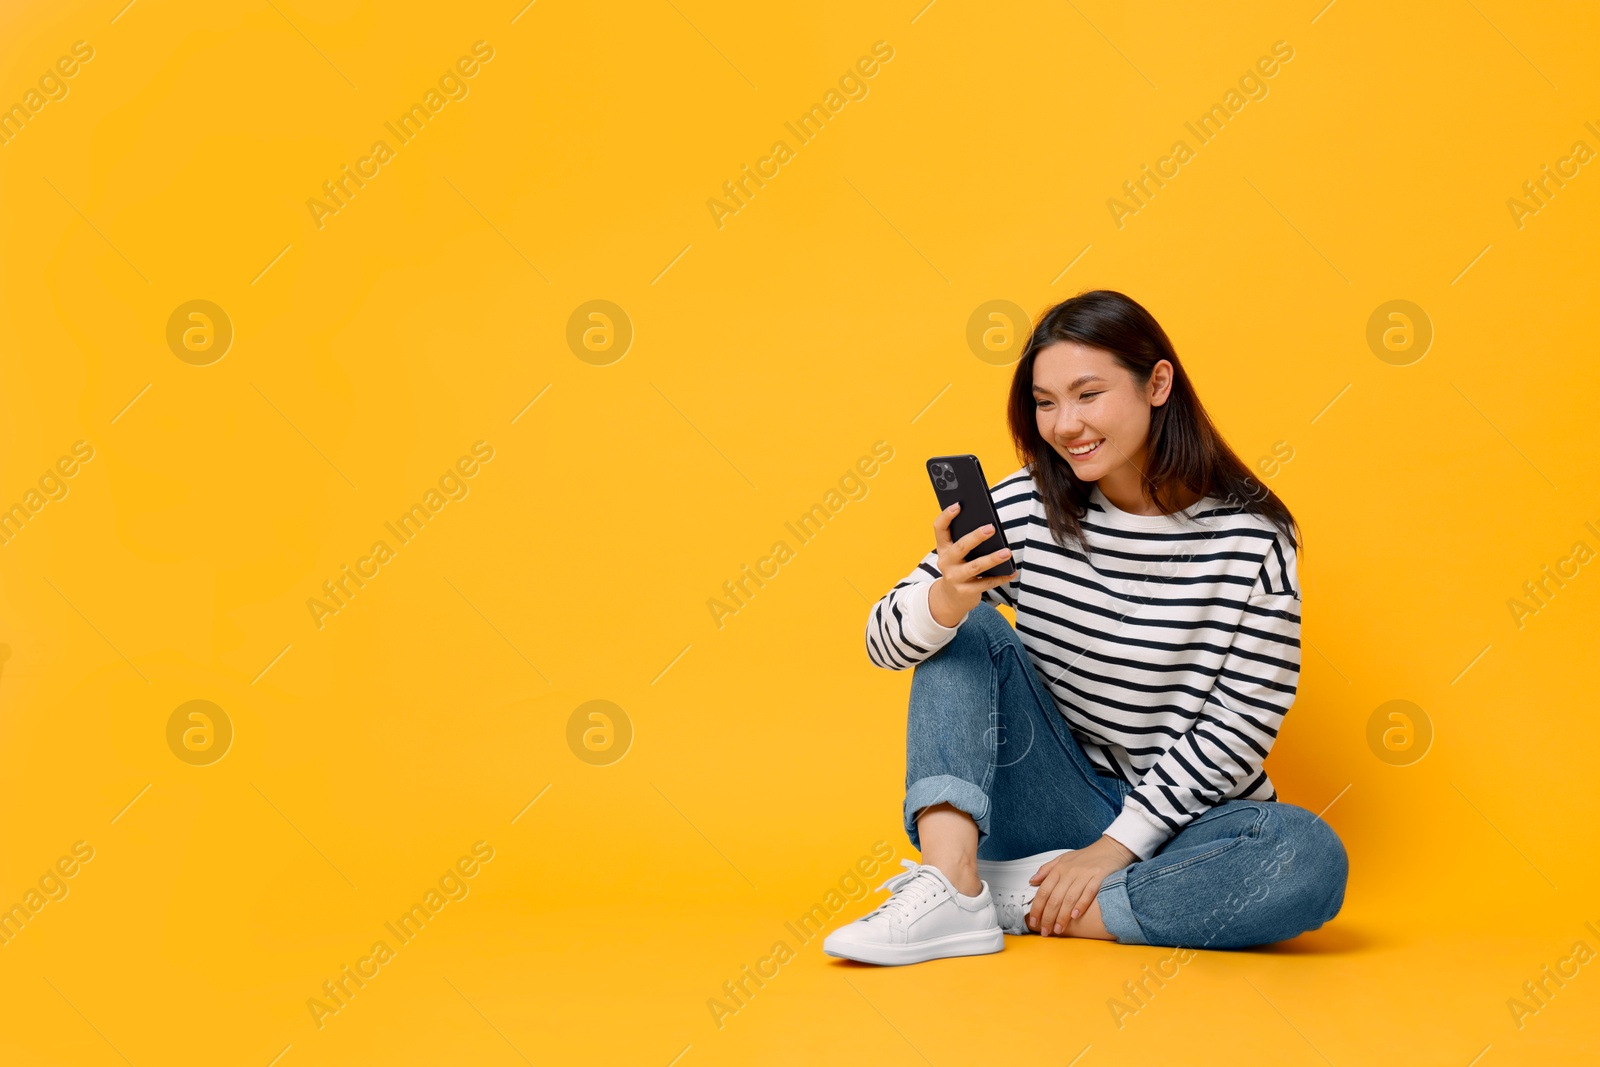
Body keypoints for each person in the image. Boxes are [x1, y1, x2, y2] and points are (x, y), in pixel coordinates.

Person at [825, 290, 1347, 966]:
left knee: (1306, 857)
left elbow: (1240, 723)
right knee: (968, 627)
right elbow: (881, 642)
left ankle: (1027, 903)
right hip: (1056, 802)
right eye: (1045, 403)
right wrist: (947, 597)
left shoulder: (1252, 540)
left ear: (1158, 383)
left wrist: (1114, 849)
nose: (1066, 424)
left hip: (1190, 824)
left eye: (1088, 394)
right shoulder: (1022, 505)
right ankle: (954, 885)